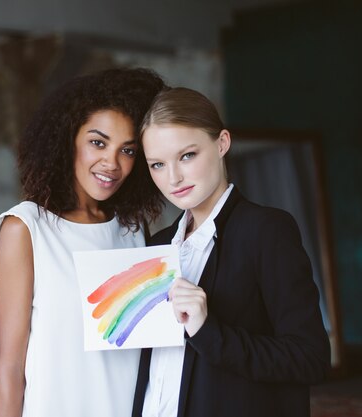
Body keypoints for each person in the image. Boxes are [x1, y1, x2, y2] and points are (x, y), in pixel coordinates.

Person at [131, 87, 331, 417]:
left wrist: (208, 330)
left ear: (222, 143)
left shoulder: (267, 231)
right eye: (157, 164)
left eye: (187, 155)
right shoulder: (156, 247)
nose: (173, 177)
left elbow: (311, 359)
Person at [0, 68, 165, 417]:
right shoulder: (25, 229)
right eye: (98, 142)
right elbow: (9, 372)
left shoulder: (132, 230)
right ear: (68, 139)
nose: (111, 164)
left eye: (127, 150)